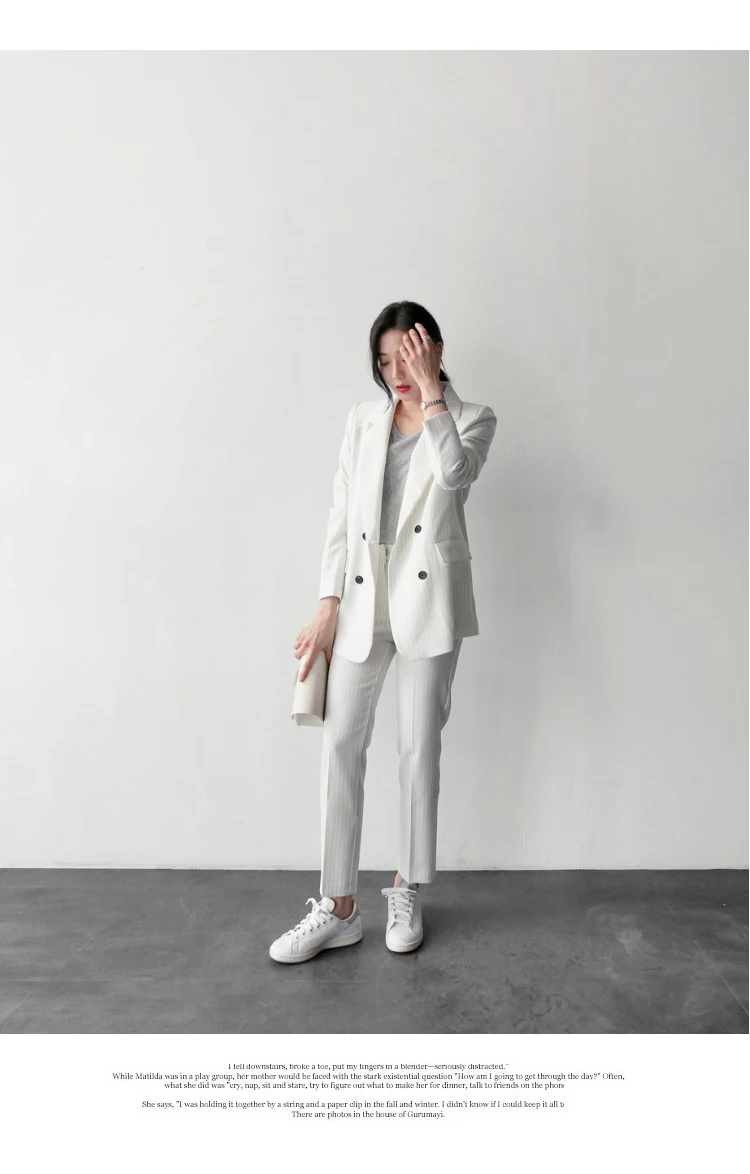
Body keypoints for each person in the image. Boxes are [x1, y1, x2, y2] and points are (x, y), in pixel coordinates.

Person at [270, 301, 497, 964]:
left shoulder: (472, 418)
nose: (395, 369)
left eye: (408, 355)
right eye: (384, 358)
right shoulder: (362, 420)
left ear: (434, 349)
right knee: (341, 742)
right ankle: (337, 907)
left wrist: (431, 395)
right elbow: (341, 516)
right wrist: (326, 603)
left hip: (428, 600)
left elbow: (455, 475)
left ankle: (406, 888)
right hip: (364, 594)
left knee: (418, 747)